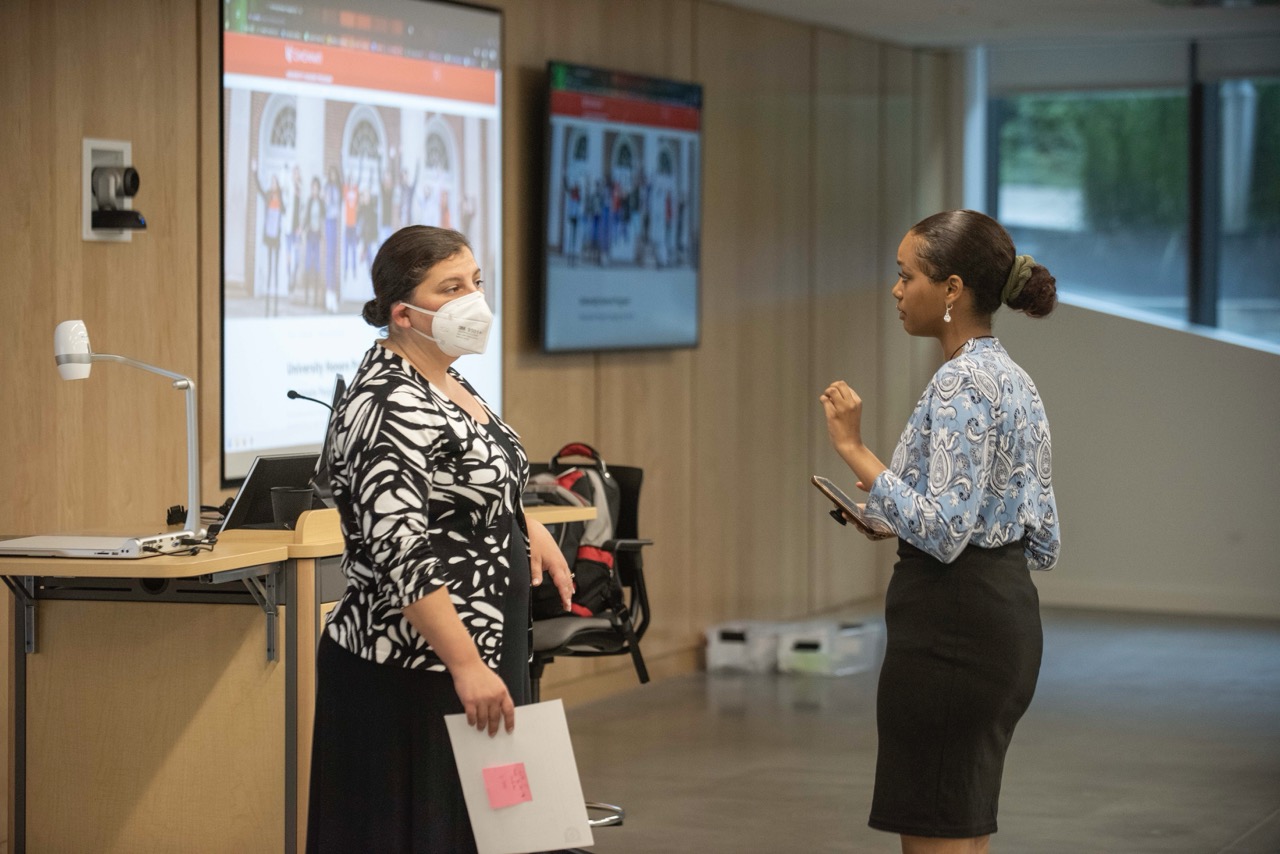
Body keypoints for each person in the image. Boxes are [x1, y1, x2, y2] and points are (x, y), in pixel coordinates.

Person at [307, 226, 575, 852]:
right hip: (417, 668)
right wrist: (466, 665)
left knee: (496, 831)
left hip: (479, 654)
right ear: (403, 313)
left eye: (476, 282)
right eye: (450, 288)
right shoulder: (388, 401)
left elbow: (465, 482)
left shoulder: (447, 379)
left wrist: (521, 522)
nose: (473, 300)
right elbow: (398, 551)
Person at [820, 209, 1061, 854]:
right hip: (1002, 615)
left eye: (906, 276)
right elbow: (1042, 531)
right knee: (962, 827)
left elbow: (947, 531)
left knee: (935, 829)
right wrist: (887, 514)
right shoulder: (1014, 378)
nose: (896, 291)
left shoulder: (960, 384)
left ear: (952, 289)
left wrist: (853, 447)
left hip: (951, 628)